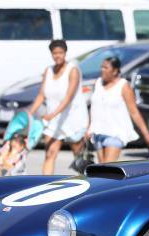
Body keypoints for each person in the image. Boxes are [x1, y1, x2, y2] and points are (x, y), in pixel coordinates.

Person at [28, 39, 88, 175]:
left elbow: (68, 98)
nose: (58, 56)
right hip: (53, 121)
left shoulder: (72, 70)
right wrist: (29, 113)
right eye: (54, 53)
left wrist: (51, 115)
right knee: (50, 154)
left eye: (60, 52)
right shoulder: (48, 71)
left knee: (78, 157)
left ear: (65, 53)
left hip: (72, 119)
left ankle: (86, 185)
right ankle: (45, 187)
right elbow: (41, 95)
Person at [87, 56, 149, 163]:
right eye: (102, 67)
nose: (102, 70)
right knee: (100, 170)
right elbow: (94, 108)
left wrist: (146, 134)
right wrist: (88, 128)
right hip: (98, 133)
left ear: (115, 71)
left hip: (115, 134)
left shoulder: (123, 86)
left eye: (106, 68)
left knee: (106, 169)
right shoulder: (98, 83)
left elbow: (134, 111)